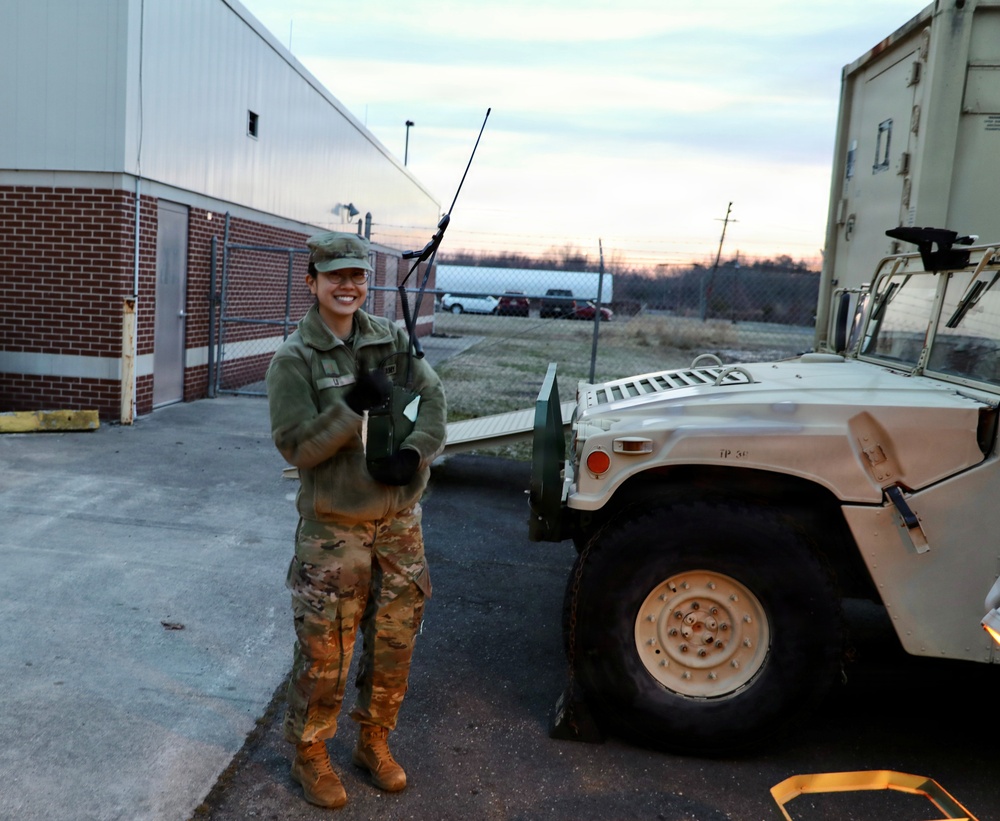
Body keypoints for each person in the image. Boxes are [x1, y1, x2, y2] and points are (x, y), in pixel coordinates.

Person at [265, 230, 446, 809]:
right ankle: (310, 753)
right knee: (326, 650)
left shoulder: (391, 339)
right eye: (335, 275)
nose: (347, 285)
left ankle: (374, 741)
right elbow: (297, 446)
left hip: (398, 524)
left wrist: (414, 453)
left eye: (357, 275)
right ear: (312, 281)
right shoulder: (294, 359)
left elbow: (433, 400)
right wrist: (351, 408)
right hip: (334, 530)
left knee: (395, 640)